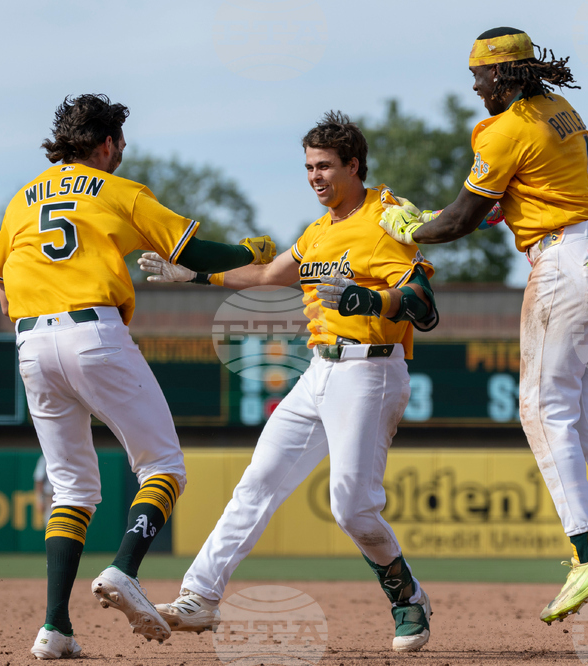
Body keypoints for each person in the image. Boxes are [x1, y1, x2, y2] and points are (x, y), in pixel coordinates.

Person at [378, 27, 588, 630]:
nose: (473, 83)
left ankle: (585, 555)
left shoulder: (507, 125)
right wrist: (444, 217)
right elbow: (511, 198)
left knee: (542, 407)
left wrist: (411, 227)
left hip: (567, 262)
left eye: (480, 73)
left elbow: (465, 216)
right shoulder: (560, 109)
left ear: (507, 74)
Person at [0, 93, 277, 661]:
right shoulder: (119, 191)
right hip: (94, 333)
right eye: (120, 140)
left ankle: (55, 628)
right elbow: (193, 250)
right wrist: (246, 250)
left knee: (71, 489)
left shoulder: (23, 198)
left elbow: (0, 288)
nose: (123, 150)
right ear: (107, 143)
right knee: (163, 466)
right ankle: (123, 568)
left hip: (30, 342)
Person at [139, 112, 440, 652]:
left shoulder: (385, 218)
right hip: (319, 370)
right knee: (258, 481)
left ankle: (406, 596)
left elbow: (422, 302)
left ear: (354, 165)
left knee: (351, 506)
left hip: (371, 369)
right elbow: (266, 273)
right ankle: (200, 596)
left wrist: (370, 298)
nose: (315, 176)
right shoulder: (319, 230)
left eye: (325, 165)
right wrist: (198, 275)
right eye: (308, 166)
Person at [33, 454, 53, 528]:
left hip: (65, 495)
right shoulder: (45, 457)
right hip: (50, 496)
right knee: (51, 525)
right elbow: (39, 480)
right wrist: (39, 500)